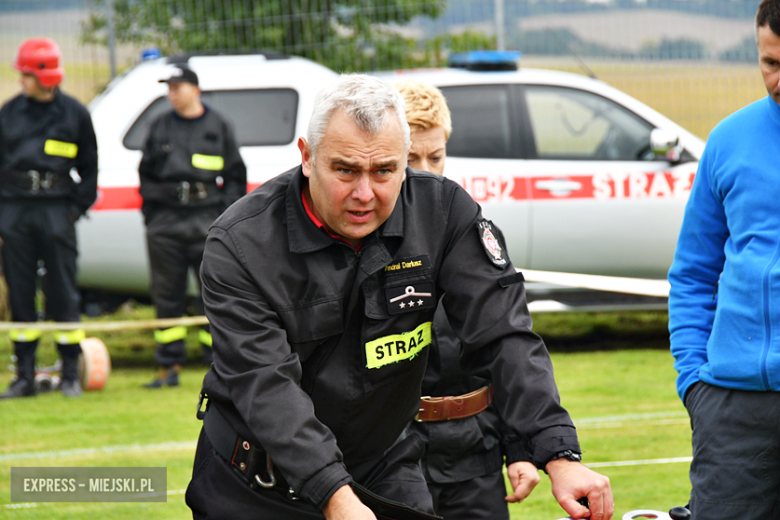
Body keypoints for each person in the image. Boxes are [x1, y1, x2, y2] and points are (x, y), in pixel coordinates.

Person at [186, 74, 613, 520]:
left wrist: (559, 452)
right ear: (308, 157)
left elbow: (504, 334)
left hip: (382, 466)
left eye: (385, 171)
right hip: (255, 485)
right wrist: (335, 494)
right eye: (346, 170)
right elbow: (266, 386)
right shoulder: (241, 244)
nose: (365, 194)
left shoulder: (443, 213)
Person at [396, 80, 540, 520]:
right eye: (410, 159)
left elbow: (503, 346)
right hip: (393, 457)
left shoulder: (470, 235)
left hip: (474, 452)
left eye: (434, 157)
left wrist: (520, 445)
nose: (424, 170)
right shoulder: (359, 238)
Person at [668, 1, 780, 517]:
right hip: (731, 407)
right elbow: (693, 272)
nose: (778, 79)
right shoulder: (728, 139)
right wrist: (695, 381)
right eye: (771, 63)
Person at [0, 37, 98, 399]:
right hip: (15, 211)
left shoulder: (75, 115)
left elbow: (89, 170)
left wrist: (73, 210)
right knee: (20, 292)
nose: (21, 80)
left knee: (62, 292)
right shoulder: (8, 113)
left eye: (26, 74)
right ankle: (24, 376)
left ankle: (69, 373)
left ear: (45, 75)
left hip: (58, 210)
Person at [138, 65, 246, 388]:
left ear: (195, 89)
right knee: (166, 295)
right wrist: (153, 218)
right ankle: (168, 366)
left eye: (177, 87)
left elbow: (236, 177)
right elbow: (145, 175)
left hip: (207, 221)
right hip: (167, 223)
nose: (171, 93)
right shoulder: (159, 126)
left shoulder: (218, 126)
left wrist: (224, 219)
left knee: (212, 293)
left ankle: (216, 363)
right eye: (168, 88)